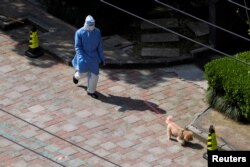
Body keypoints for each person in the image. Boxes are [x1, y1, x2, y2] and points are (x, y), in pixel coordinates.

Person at [72, 15, 105, 99]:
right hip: (83, 56)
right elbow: (78, 47)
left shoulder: (97, 31)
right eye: (89, 25)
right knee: (82, 74)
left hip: (94, 56)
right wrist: (81, 58)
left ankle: (91, 91)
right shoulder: (79, 32)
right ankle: (76, 76)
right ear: (86, 24)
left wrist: (102, 58)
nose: (91, 27)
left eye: (92, 25)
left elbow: (100, 46)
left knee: (95, 75)